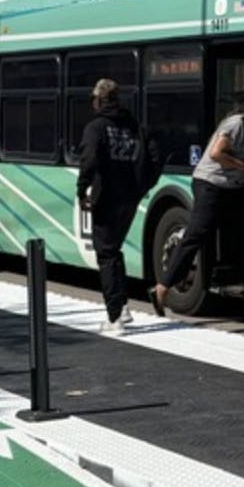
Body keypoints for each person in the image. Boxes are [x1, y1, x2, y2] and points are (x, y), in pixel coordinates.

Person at [150, 97, 244, 316]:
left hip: (233, 186)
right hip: (210, 183)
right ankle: (162, 288)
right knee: (197, 232)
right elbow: (216, 154)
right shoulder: (237, 123)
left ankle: (240, 278)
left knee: (243, 228)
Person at [76, 79, 154, 334]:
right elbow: (155, 154)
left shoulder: (96, 127)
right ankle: (124, 306)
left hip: (106, 196)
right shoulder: (135, 126)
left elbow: (88, 160)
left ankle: (114, 318)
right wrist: (143, 186)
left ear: (98, 101)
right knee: (115, 250)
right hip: (130, 197)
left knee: (106, 254)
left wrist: (82, 190)